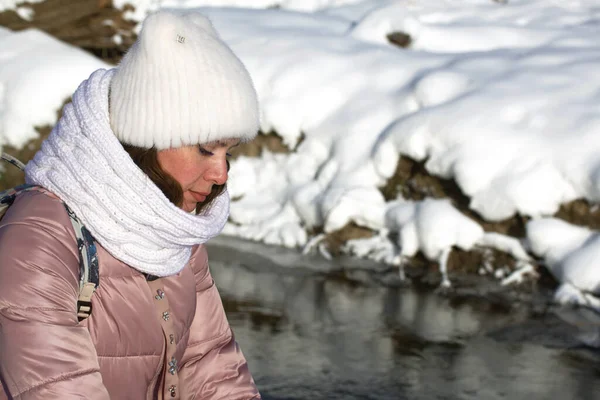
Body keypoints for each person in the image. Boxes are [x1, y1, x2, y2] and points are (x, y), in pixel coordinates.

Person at [0, 10, 261, 400]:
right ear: (147, 138)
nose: (221, 174)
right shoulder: (38, 238)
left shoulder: (177, 233)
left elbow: (210, 363)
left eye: (228, 152)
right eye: (206, 149)